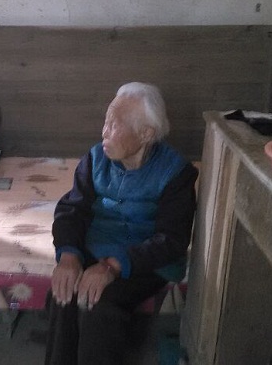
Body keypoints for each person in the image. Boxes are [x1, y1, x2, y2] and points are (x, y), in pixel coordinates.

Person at [45, 82, 198, 365]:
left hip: (144, 260)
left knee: (100, 304)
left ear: (145, 133)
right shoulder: (95, 159)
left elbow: (172, 240)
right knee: (62, 293)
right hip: (95, 247)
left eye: (114, 125)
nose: (104, 132)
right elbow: (71, 210)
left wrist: (113, 266)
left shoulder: (176, 173)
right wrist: (68, 256)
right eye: (106, 122)